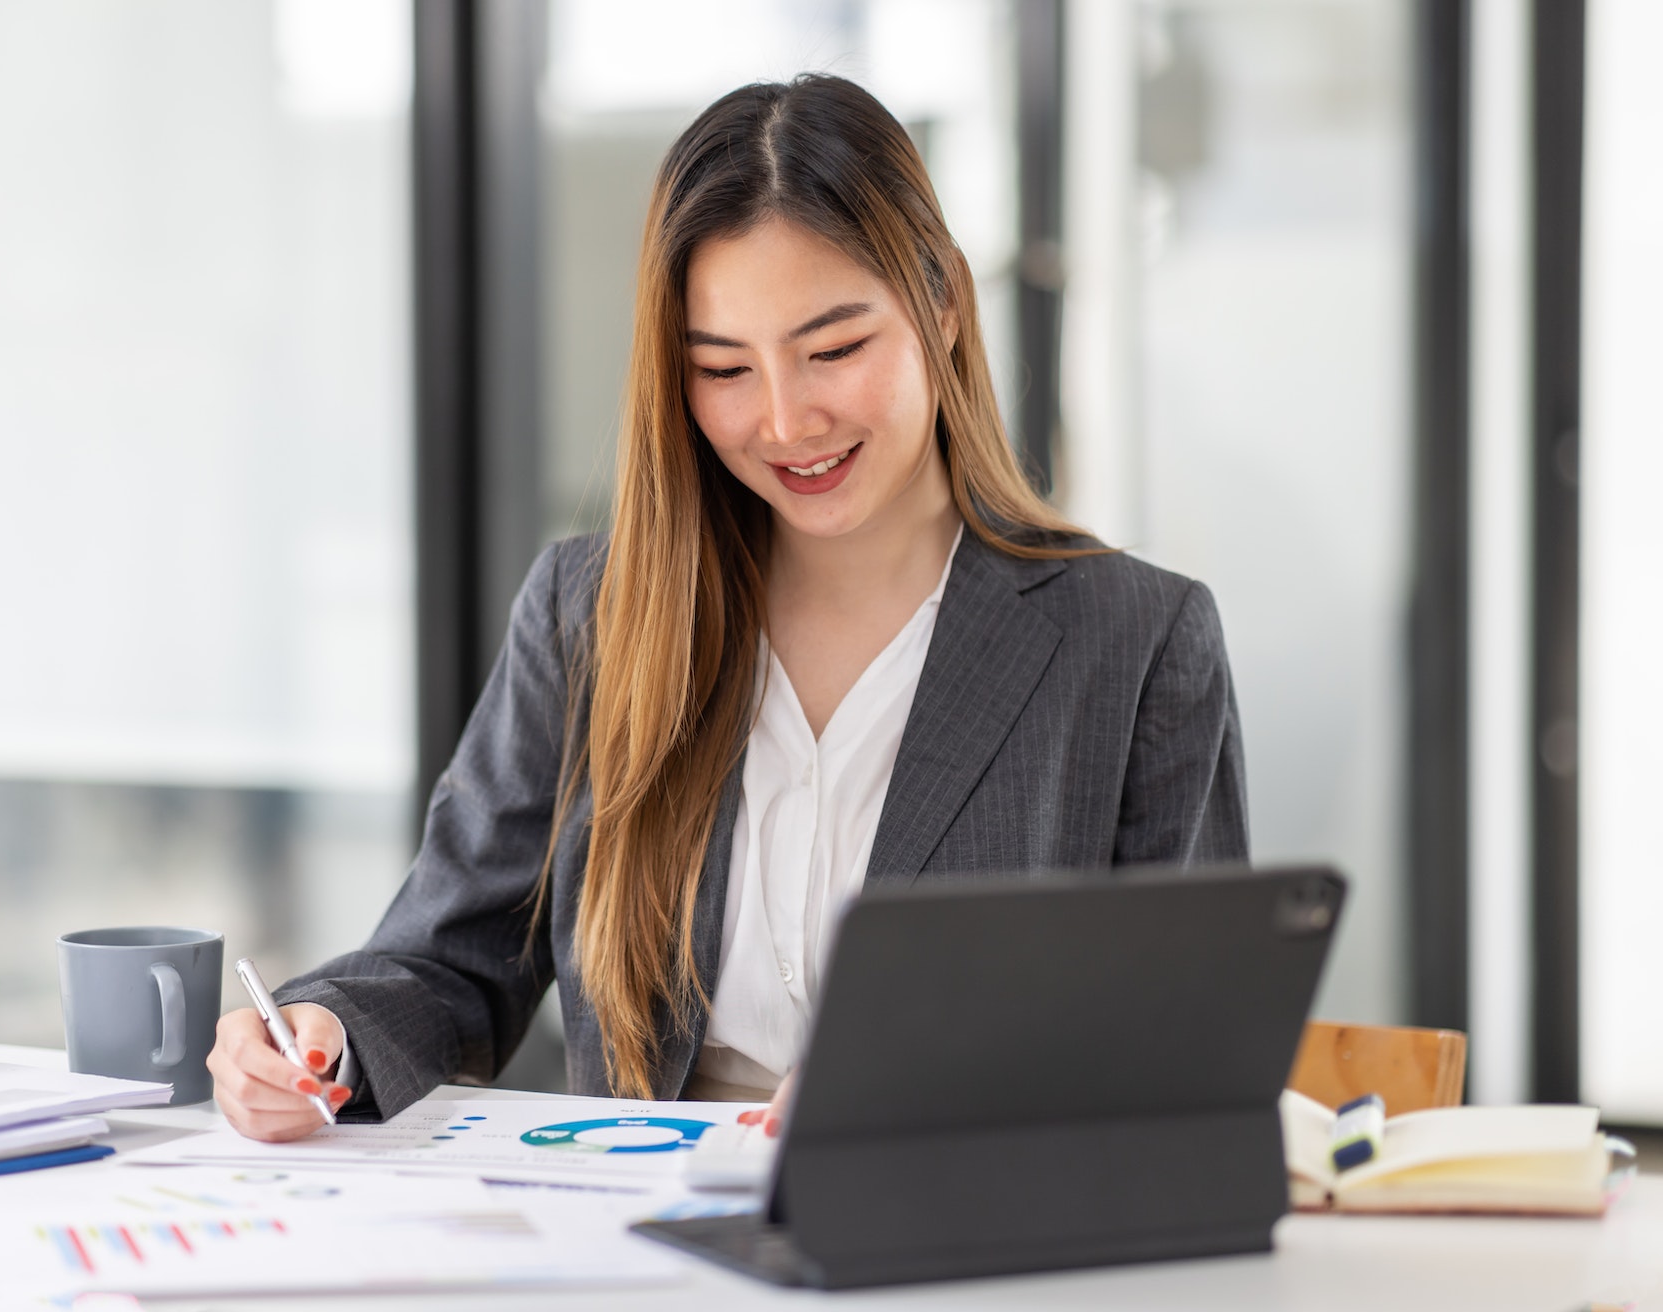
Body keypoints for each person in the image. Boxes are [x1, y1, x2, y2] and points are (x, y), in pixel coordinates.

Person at [207, 74, 1247, 1142]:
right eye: (722, 368)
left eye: (833, 350)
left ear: (940, 302)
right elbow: (448, 954)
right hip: (638, 1245)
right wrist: (318, 1023)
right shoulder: (590, 614)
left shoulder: (1133, 645)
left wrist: (924, 1089)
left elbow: (1179, 1052)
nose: (786, 420)